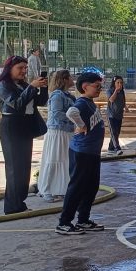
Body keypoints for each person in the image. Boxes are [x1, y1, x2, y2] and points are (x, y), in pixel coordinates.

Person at [0, 55, 48, 214]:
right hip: (11, 126)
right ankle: (12, 206)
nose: (24, 71)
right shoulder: (3, 85)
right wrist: (31, 87)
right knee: (14, 168)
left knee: (24, 167)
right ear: (10, 68)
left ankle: (20, 202)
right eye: (20, 68)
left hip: (25, 126)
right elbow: (17, 104)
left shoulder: (23, 84)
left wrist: (43, 87)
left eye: (25, 68)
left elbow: (39, 102)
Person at [57, 72, 106, 235]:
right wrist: (81, 125)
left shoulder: (90, 103)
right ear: (85, 86)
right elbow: (71, 112)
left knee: (91, 187)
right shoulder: (82, 103)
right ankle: (64, 222)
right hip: (82, 152)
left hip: (92, 152)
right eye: (97, 86)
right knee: (77, 187)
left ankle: (83, 219)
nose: (100, 89)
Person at [38, 70, 75, 200]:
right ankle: (46, 189)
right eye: (70, 77)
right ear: (64, 79)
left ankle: (61, 188)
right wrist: (72, 117)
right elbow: (56, 113)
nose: (72, 79)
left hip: (67, 131)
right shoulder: (57, 95)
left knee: (65, 161)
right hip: (57, 132)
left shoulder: (69, 96)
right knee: (53, 159)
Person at [106, 76, 126, 154]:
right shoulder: (110, 91)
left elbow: (124, 100)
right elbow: (111, 99)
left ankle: (111, 147)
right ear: (114, 83)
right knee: (113, 132)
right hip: (111, 115)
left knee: (117, 132)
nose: (119, 84)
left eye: (121, 82)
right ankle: (117, 148)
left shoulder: (122, 91)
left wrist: (125, 107)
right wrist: (116, 91)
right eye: (118, 82)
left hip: (119, 115)